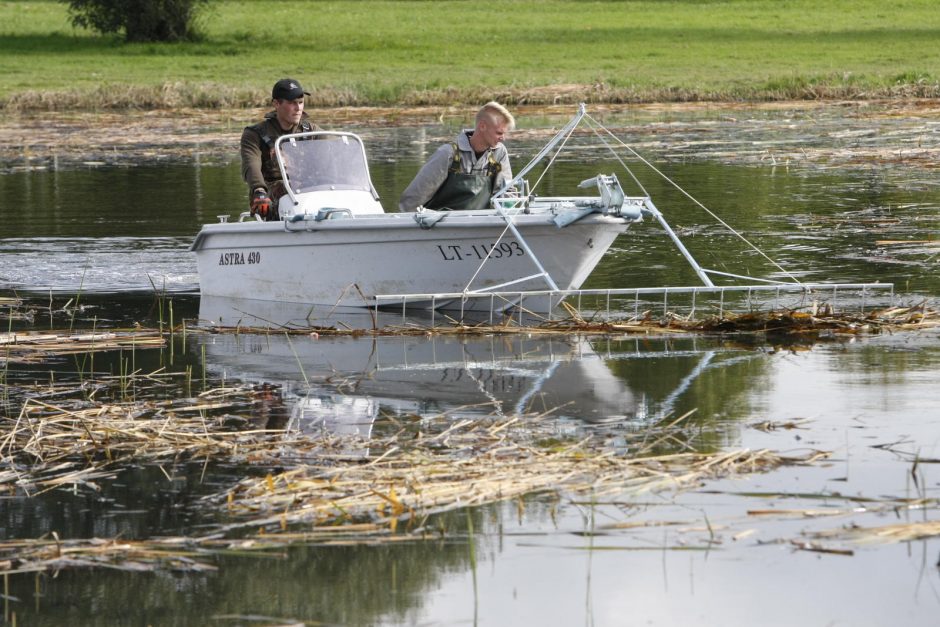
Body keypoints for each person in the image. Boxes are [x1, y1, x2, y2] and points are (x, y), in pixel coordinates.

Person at [399, 102, 515, 212]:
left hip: (479, 225)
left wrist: (509, 208)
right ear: (482, 126)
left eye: (505, 133)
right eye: (499, 133)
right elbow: (411, 201)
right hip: (439, 228)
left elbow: (506, 193)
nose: (503, 138)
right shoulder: (447, 153)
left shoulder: (500, 153)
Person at [240, 78, 322, 221]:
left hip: (308, 191)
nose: (298, 108)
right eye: (291, 103)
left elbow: (336, 155)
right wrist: (259, 190)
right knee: (282, 187)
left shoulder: (311, 131)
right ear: (276, 104)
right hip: (271, 195)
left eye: (301, 102)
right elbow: (251, 165)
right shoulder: (255, 134)